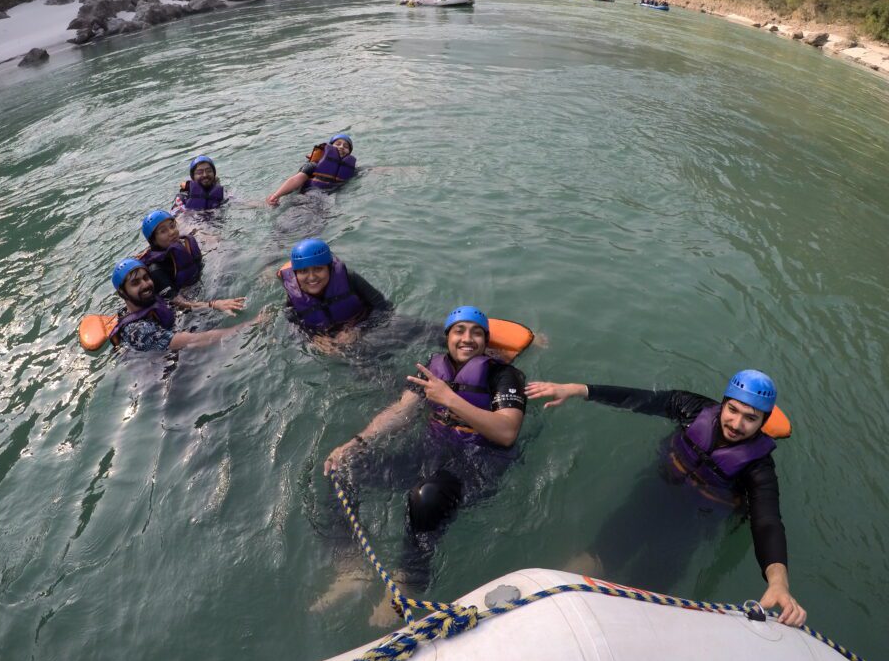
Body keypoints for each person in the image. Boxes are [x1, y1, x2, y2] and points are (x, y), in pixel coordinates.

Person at [526, 370, 807, 627]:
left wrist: (778, 582)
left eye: (750, 418)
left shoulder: (759, 468)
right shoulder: (692, 408)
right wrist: (576, 389)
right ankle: (544, 609)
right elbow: (641, 400)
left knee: (645, 585)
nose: (736, 423)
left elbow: (767, 520)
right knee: (602, 552)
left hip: (695, 520)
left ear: (763, 423)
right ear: (723, 403)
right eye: (732, 410)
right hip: (656, 490)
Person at [324, 306, 527, 590]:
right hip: (431, 450)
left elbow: (507, 433)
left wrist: (450, 399)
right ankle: (350, 567)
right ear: (447, 338)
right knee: (341, 468)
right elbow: (400, 411)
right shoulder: (431, 368)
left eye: (476, 333)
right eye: (459, 331)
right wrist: (357, 442)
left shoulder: (505, 376)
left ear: (485, 341)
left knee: (426, 496)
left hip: (478, 460)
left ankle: (409, 580)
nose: (467, 338)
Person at [108, 258, 253, 352]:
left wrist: (214, 304)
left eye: (146, 278)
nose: (145, 284)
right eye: (135, 283)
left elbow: (178, 307)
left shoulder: (151, 301)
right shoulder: (138, 331)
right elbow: (193, 341)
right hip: (160, 376)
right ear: (122, 293)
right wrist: (247, 326)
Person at [279, 238, 390, 353]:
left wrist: (358, 330)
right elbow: (294, 329)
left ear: (330, 268)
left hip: (363, 325)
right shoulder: (293, 300)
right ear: (295, 274)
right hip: (331, 339)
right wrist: (313, 339)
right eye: (303, 271)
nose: (311, 277)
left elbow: (383, 306)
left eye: (318, 269)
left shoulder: (350, 279)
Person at [137, 209, 210, 303]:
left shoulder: (186, 245)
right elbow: (177, 301)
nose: (172, 232)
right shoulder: (155, 269)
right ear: (153, 240)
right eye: (163, 231)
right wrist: (212, 305)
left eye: (172, 226)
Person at [267, 134, 357, 206]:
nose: (341, 147)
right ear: (330, 147)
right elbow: (296, 179)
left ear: (349, 152)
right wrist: (276, 195)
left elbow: (366, 171)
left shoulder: (351, 170)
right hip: (305, 198)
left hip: (326, 201)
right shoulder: (314, 165)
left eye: (346, 146)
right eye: (338, 144)